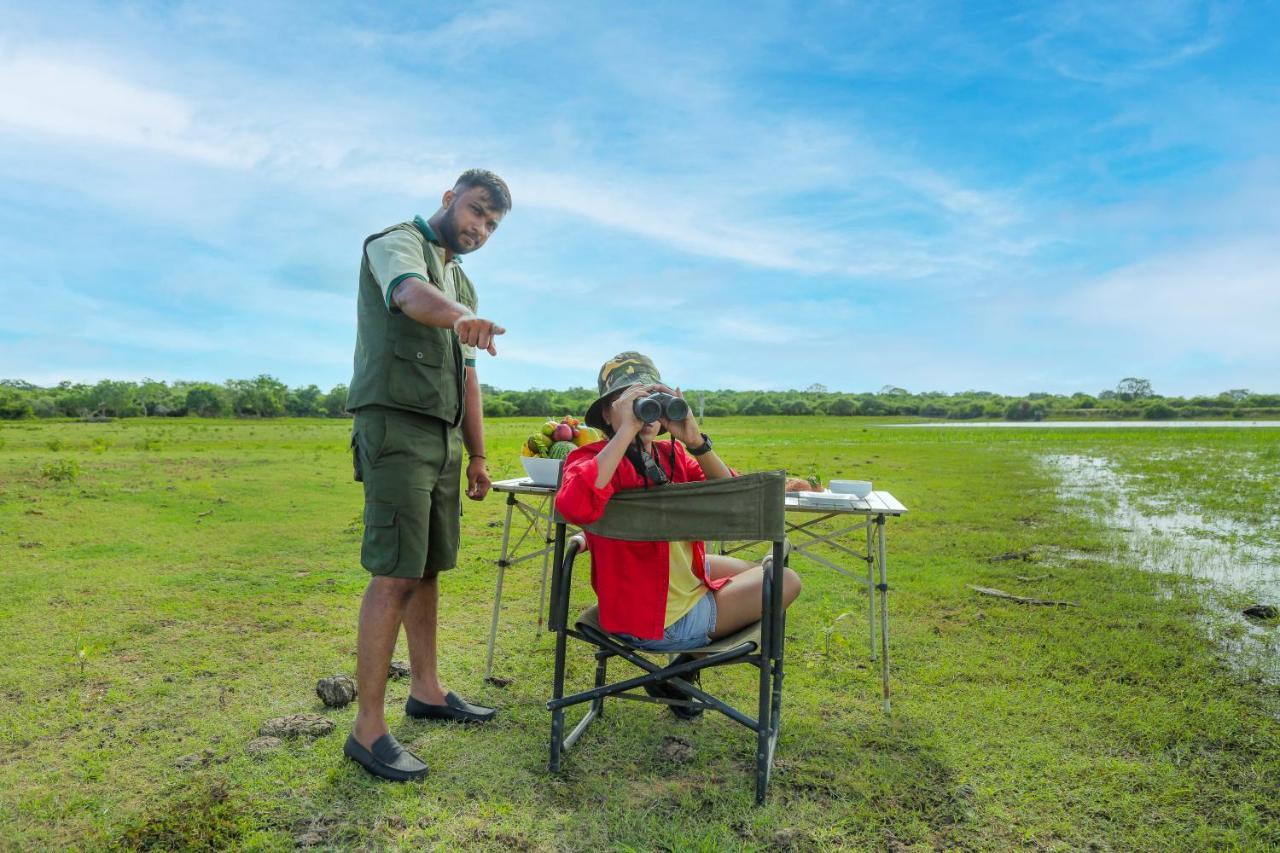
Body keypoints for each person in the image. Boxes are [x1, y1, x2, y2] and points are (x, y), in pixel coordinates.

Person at [342, 169, 511, 781]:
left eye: (492, 224)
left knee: (431, 564)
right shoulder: (396, 241)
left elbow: (468, 376)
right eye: (476, 211)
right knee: (395, 572)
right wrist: (462, 314)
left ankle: (429, 690)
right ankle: (367, 729)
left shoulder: (461, 275)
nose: (480, 228)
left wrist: (480, 456)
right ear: (449, 198)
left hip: (443, 437)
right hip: (395, 424)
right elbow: (410, 295)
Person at [554, 353, 801, 718]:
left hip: (649, 591)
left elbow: (734, 498)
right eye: (633, 403)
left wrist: (696, 441)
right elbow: (574, 506)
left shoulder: (673, 456)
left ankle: (676, 672)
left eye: (653, 400)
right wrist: (626, 432)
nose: (645, 413)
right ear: (608, 414)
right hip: (657, 618)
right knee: (785, 581)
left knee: (755, 571)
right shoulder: (591, 460)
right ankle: (682, 668)